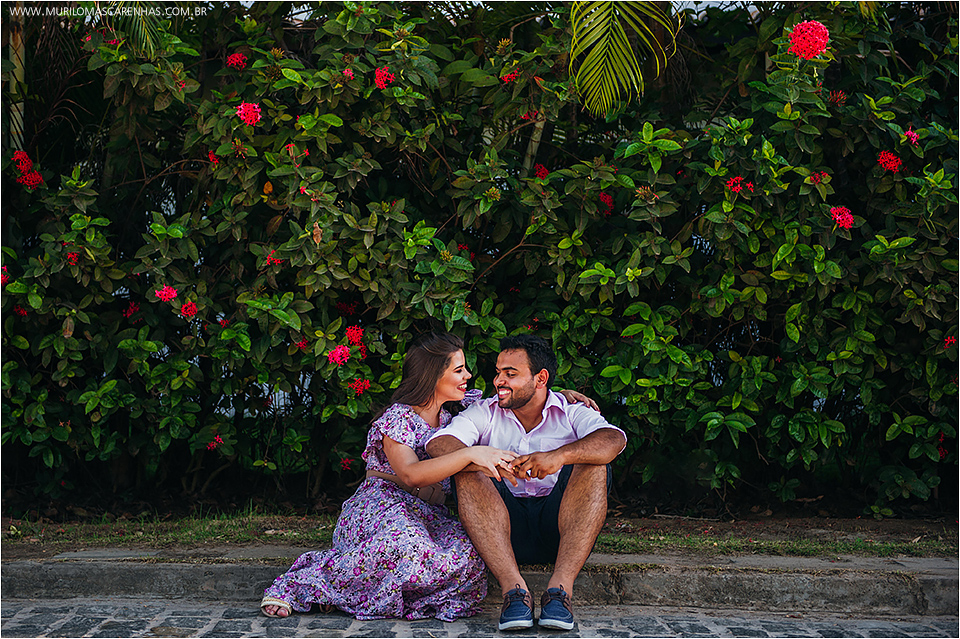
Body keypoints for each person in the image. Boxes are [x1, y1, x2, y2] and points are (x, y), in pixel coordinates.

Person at [260, 331, 598, 622]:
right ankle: (303, 585)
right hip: (386, 505)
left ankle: (379, 596)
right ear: (434, 375)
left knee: (468, 558)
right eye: (459, 369)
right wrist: (471, 454)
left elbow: (520, 393)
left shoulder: (460, 407)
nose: (469, 376)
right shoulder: (398, 419)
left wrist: (559, 394)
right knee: (405, 547)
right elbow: (410, 475)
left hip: (432, 513)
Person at [426, 334, 627, 632]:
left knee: (594, 463)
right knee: (467, 467)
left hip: (562, 529)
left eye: (510, 374)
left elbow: (613, 439)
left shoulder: (572, 410)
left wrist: (559, 456)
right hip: (500, 533)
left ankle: (560, 591)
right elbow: (439, 444)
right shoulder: (485, 411)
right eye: (498, 372)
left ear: (540, 378)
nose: (499, 381)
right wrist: (483, 458)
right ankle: (514, 592)